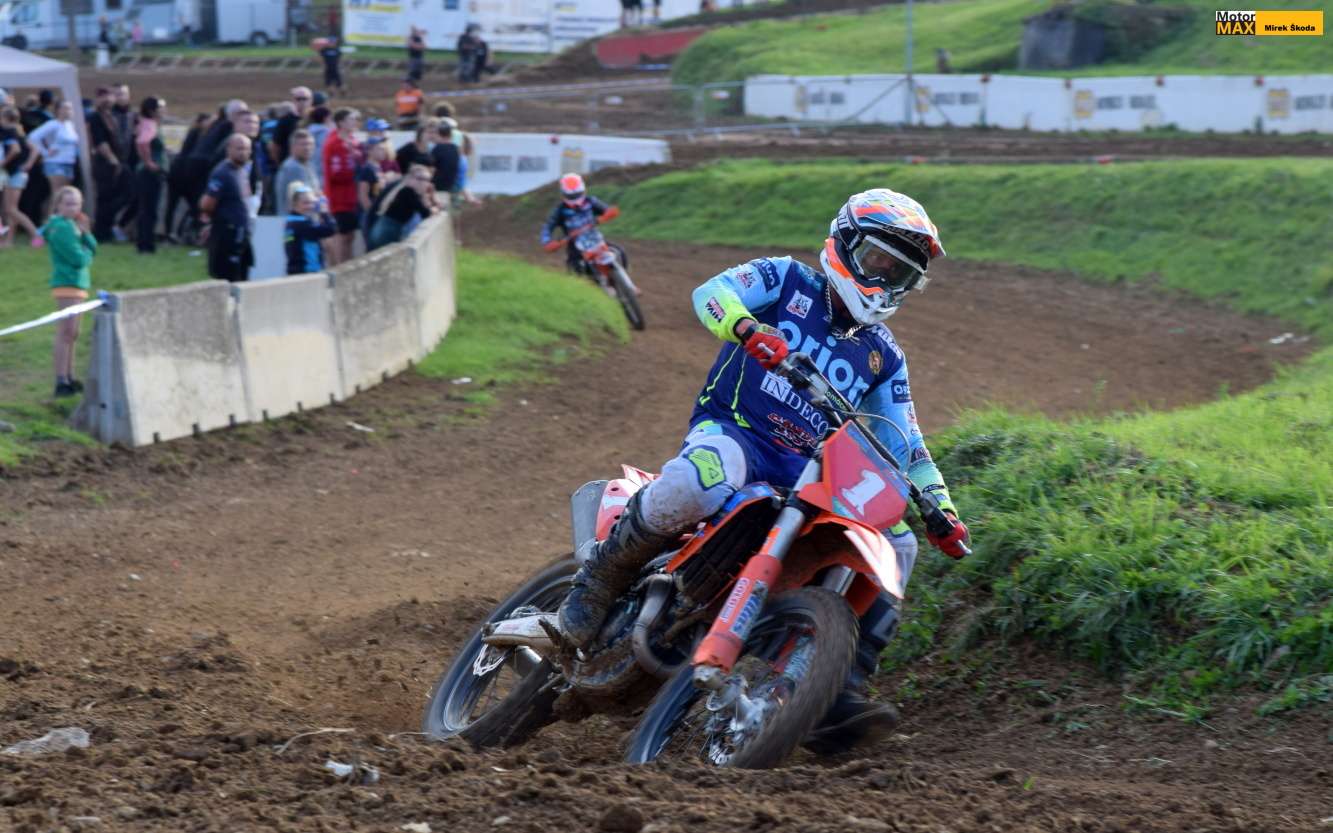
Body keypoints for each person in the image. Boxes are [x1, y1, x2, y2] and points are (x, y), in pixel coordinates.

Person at [556, 188, 971, 755]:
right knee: (697, 482)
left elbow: (907, 441)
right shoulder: (786, 279)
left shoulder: (884, 356)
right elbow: (711, 294)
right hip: (734, 433)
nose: (884, 280)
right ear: (845, 244)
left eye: (899, 274)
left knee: (898, 544)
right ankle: (600, 578)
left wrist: (939, 506)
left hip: (806, 474)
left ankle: (836, 683)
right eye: (877, 261)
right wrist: (748, 328)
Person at [41, 186, 96, 397]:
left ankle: (69, 376)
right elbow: (78, 259)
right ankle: (61, 380)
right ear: (58, 205)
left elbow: (93, 247)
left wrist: (86, 233)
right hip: (67, 283)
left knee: (73, 333)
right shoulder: (62, 227)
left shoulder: (73, 225)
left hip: (78, 284)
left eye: (77, 204)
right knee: (66, 332)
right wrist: (87, 251)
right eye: (69, 204)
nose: (74, 208)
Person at [538, 173, 620, 278]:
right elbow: (548, 226)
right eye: (571, 196)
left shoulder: (591, 202)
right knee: (575, 270)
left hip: (594, 237)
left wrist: (608, 214)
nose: (575, 199)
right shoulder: (560, 210)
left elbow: (607, 210)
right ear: (563, 194)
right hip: (575, 245)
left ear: (583, 191)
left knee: (618, 251)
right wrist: (547, 241)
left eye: (577, 194)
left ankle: (621, 275)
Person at [199, 134, 254, 282]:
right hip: (228, 233)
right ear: (228, 149)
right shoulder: (222, 173)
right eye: (239, 148)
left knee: (243, 273)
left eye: (247, 149)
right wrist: (213, 222)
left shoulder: (242, 171)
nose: (243, 152)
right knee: (228, 276)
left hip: (242, 232)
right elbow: (207, 203)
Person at [87, 87, 130, 242]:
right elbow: (100, 142)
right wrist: (112, 160)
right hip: (106, 163)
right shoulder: (95, 117)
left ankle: (106, 228)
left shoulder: (112, 116)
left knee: (123, 195)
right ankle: (101, 233)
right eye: (103, 97)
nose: (107, 100)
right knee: (105, 198)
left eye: (109, 96)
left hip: (117, 161)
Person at [321, 108, 362, 265]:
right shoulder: (334, 144)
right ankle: (339, 268)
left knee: (350, 235)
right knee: (341, 236)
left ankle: (347, 266)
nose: (355, 123)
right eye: (351, 119)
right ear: (341, 123)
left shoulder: (353, 141)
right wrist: (357, 172)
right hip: (338, 199)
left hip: (351, 198)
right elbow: (335, 174)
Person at [165, 111, 213, 238]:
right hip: (180, 176)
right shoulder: (196, 134)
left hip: (184, 176)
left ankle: (180, 232)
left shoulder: (201, 135)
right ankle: (171, 233)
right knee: (175, 205)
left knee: (192, 206)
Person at [29, 100, 80, 218]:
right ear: (58, 110)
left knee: (63, 195)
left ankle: (59, 219)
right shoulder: (53, 124)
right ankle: (50, 222)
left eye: (70, 108)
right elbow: (33, 137)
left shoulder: (70, 125)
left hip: (69, 163)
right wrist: (45, 152)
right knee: (57, 194)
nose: (69, 111)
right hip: (55, 162)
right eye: (66, 108)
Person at [0, 105, 42, 248]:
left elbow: (15, 150)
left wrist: (3, 163)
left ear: (5, 118)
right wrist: (29, 164)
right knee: (9, 209)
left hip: (15, 173)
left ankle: (36, 235)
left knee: (11, 209)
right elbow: (35, 149)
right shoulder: (19, 132)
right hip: (17, 173)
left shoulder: (9, 132)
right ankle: (8, 241)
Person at [366, 163, 435, 250]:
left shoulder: (409, 191)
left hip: (388, 229)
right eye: (420, 179)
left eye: (427, 180)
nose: (424, 183)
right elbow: (425, 213)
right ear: (410, 179)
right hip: (386, 230)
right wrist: (434, 209)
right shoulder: (408, 192)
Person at [134, 96, 167, 253]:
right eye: (161, 108)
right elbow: (142, 142)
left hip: (145, 173)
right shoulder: (150, 124)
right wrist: (149, 162)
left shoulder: (145, 123)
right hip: (150, 174)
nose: (163, 111)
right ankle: (147, 244)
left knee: (145, 209)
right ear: (152, 110)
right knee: (149, 210)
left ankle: (143, 243)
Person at [283, 183, 336, 274]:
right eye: (305, 203)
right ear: (295, 204)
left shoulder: (291, 221)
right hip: (306, 271)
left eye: (312, 203)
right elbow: (330, 229)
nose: (310, 206)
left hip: (295, 270)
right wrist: (324, 212)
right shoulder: (302, 224)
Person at [274, 128, 321, 217]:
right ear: (292, 147)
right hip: (296, 220)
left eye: (310, 144)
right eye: (303, 144)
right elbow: (305, 199)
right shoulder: (293, 167)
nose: (307, 148)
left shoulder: (308, 165)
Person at [270, 87, 312, 166]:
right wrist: (280, 164)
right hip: (290, 164)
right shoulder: (285, 120)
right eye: (298, 99)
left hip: (312, 164)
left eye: (305, 99)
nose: (302, 102)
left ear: (311, 100)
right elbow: (275, 146)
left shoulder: (316, 118)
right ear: (293, 101)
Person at [427, 120, 459, 196]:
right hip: (449, 188)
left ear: (439, 134)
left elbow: (431, 169)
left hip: (436, 189)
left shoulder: (437, 149)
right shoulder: (455, 148)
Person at [306, 106, 333, 183]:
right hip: (321, 172)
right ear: (325, 118)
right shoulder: (326, 133)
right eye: (330, 117)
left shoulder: (308, 131)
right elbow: (323, 152)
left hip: (309, 168)